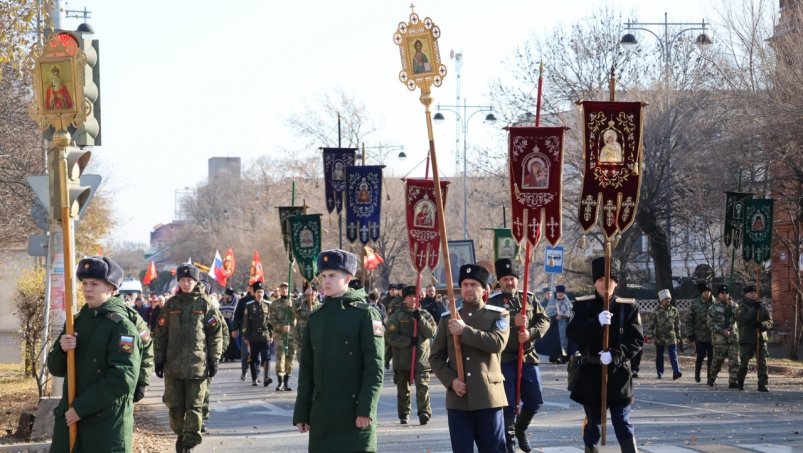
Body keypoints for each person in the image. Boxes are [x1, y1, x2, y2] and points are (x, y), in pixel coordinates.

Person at [293, 249, 385, 452]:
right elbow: (307, 371)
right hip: (322, 418)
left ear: (348, 278)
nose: (326, 281)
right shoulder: (316, 318)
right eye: (324, 276)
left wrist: (366, 409)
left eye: (333, 275)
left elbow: (374, 369)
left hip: (354, 415)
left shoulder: (365, 315)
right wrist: (302, 412)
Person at [47, 256, 141, 453]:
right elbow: (55, 368)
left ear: (112, 289)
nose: (87, 289)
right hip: (70, 422)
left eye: (95, 284)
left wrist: (81, 408)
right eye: (84, 283)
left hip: (104, 426)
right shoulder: (75, 322)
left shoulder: (122, 328)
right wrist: (62, 350)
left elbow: (123, 378)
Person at [430, 263, 510, 453]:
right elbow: (435, 357)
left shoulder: (498, 315)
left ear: (484, 289)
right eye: (465, 284)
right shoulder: (447, 318)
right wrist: (451, 381)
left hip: (488, 396)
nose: (468, 289)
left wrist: (465, 331)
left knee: (493, 449)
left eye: (474, 284)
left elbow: (497, 343)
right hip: (459, 398)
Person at [566, 257, 643, 453]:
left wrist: (615, 355)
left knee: (621, 420)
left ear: (616, 283)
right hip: (591, 373)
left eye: (609, 280)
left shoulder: (628, 307)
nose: (604, 284)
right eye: (600, 279)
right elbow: (573, 334)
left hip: (618, 373)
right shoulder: (582, 306)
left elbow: (636, 341)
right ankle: (590, 448)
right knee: (593, 423)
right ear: (594, 282)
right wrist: (595, 323)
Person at [153, 264, 223, 453]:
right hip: (173, 367)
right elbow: (160, 333)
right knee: (175, 408)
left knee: (194, 407)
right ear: (178, 282)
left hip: (197, 367)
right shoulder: (171, 305)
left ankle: (188, 443)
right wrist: (158, 360)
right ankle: (180, 434)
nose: (186, 283)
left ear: (195, 281)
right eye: (183, 280)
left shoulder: (204, 304)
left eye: (189, 280)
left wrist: (214, 359)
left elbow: (215, 334)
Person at [487, 258, 549, 453]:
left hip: (527, 357)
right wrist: (512, 323)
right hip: (505, 359)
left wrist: (530, 333)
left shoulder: (528, 298)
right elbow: (488, 327)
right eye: (505, 279)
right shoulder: (493, 302)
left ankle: (520, 429)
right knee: (509, 404)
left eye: (512, 278)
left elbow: (544, 320)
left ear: (517, 279)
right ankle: (509, 441)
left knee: (535, 400)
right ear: (499, 281)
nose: (509, 282)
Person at [386, 285, 438, 425]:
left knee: (422, 386)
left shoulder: (425, 314)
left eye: (415, 296)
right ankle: (404, 413)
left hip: (420, 359)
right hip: (402, 360)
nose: (413, 299)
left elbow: (431, 333)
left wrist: (420, 319)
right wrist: (408, 341)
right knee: (403, 389)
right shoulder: (397, 316)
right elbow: (390, 336)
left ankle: (424, 412)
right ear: (404, 298)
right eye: (410, 296)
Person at [736, 285, 773, 392]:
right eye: (751, 293)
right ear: (745, 294)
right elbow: (744, 320)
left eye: (755, 292)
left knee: (762, 362)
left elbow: (770, 322)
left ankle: (762, 384)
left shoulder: (761, 306)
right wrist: (754, 309)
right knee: (744, 362)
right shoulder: (741, 306)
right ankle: (740, 381)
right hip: (747, 339)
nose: (753, 294)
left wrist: (763, 325)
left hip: (760, 338)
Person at [706, 285, 740, 388]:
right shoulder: (713, 308)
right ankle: (712, 377)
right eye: (722, 293)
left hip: (733, 338)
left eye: (726, 293)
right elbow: (710, 323)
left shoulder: (734, 306)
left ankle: (733, 381)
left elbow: (740, 317)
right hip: (720, 340)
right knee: (718, 361)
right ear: (719, 295)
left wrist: (733, 306)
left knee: (735, 361)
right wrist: (721, 331)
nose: (724, 295)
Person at [242, 281, 273, 387]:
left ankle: (266, 377)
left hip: (265, 335)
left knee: (266, 356)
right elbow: (245, 322)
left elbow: (270, 321)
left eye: (262, 292)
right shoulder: (249, 305)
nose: (260, 294)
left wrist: (271, 335)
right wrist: (246, 336)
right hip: (253, 336)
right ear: (254, 293)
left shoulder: (268, 305)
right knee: (254, 358)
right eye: (258, 292)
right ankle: (254, 378)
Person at [648, 289, 682, 380]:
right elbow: (651, 325)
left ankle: (676, 372)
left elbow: (677, 324)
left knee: (673, 354)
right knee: (660, 356)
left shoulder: (674, 310)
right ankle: (660, 372)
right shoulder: (656, 311)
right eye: (666, 299)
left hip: (671, 336)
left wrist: (678, 336)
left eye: (669, 298)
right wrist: (650, 336)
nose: (668, 300)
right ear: (661, 300)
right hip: (660, 337)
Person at [269, 282, 297, 391]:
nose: (284, 290)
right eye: (282, 288)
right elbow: (272, 319)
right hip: (279, 334)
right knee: (280, 356)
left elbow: (299, 316)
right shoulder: (274, 304)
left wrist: (292, 307)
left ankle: (286, 382)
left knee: (290, 357)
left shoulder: (294, 302)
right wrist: (281, 327)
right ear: (279, 290)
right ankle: (280, 382)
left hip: (291, 334)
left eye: (286, 288)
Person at [685, 283, 714, 383]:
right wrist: (690, 333)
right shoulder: (695, 304)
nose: (707, 293)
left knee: (712, 357)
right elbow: (689, 320)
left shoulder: (716, 303)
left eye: (709, 291)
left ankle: (710, 377)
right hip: (699, 335)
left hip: (713, 335)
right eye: (705, 291)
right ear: (701, 293)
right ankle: (697, 373)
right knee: (701, 354)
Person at [293, 283, 322, 363]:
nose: (311, 294)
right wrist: (304, 295)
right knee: (302, 363)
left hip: (315, 341)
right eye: (310, 292)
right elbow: (293, 306)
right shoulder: (301, 304)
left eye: (313, 292)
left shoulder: (321, 307)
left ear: (317, 293)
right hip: (301, 339)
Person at [554, 285, 574, 360]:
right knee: (557, 340)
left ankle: (565, 356)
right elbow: (547, 314)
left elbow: (573, 313)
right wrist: (554, 317)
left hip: (566, 324)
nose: (560, 294)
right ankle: (558, 356)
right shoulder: (553, 302)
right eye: (559, 292)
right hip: (556, 326)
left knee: (566, 340)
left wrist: (568, 316)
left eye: (562, 292)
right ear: (556, 293)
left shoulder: (567, 302)